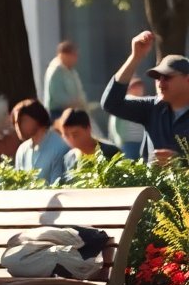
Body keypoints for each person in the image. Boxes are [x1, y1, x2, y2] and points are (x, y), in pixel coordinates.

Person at [102, 31, 189, 164]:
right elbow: (111, 104)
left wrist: (179, 161)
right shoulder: (153, 107)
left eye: (167, 77)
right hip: (152, 185)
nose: (160, 83)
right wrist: (135, 57)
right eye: (157, 77)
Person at [12, 99, 69, 185]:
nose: (18, 127)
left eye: (23, 120)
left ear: (37, 118)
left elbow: (58, 185)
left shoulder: (60, 145)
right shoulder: (22, 150)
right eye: (15, 123)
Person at [59, 108, 120, 178]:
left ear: (88, 128)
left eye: (75, 134)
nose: (71, 139)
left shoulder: (111, 151)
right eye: (66, 135)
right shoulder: (69, 159)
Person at [44, 40, 87, 118]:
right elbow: (58, 95)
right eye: (74, 55)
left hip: (72, 111)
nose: (76, 58)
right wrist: (75, 103)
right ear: (64, 55)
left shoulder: (71, 71)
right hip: (58, 113)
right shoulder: (56, 70)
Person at [108, 78, 148, 160]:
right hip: (128, 143)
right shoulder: (124, 101)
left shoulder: (146, 102)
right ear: (129, 88)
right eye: (136, 87)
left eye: (140, 87)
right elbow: (114, 123)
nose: (139, 89)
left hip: (143, 143)